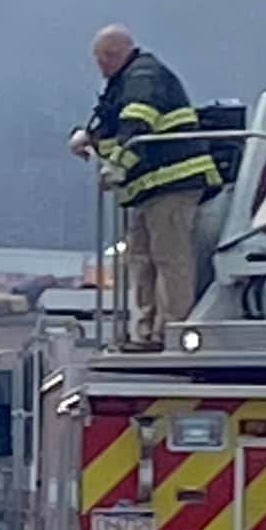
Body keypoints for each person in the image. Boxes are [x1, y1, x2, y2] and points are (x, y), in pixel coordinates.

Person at [69, 26, 222, 352]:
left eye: (103, 58)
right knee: (141, 260)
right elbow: (114, 119)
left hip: (172, 184)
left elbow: (137, 121)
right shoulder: (126, 80)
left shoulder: (144, 76)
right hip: (147, 189)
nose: (100, 65)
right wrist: (88, 136)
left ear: (115, 53)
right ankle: (145, 332)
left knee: (169, 259)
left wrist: (117, 165)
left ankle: (169, 332)